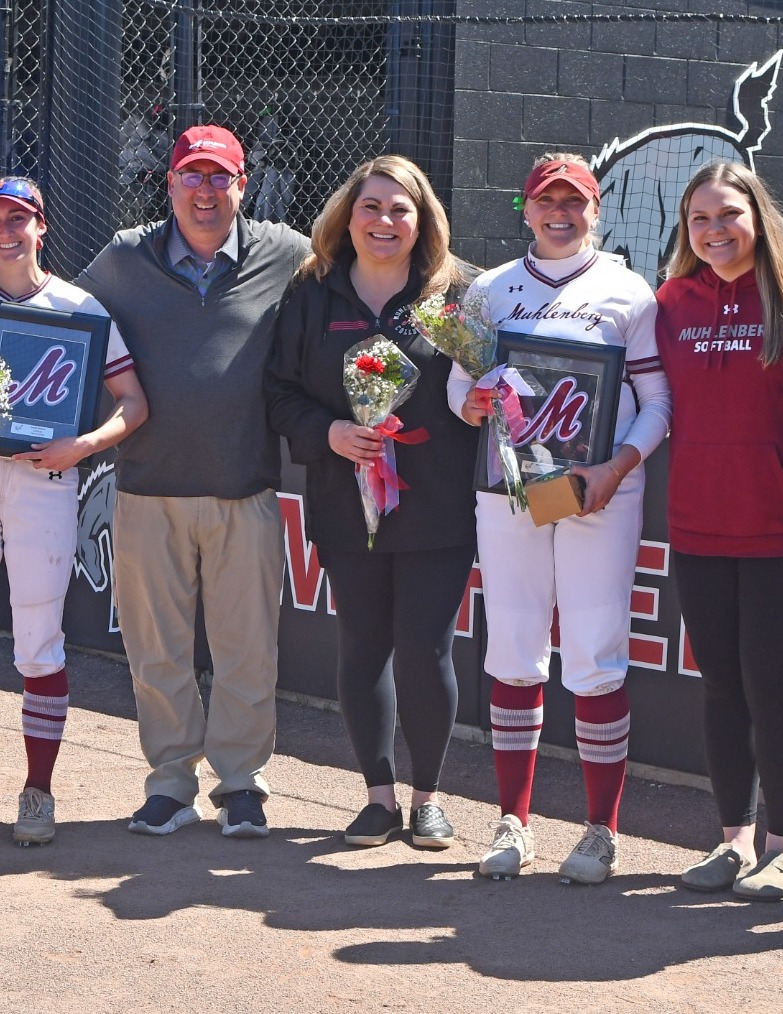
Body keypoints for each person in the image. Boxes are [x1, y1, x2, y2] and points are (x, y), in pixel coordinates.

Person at [76, 124, 310, 838]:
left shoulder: (288, 254)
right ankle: (171, 782)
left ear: (243, 186)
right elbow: (60, 314)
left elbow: (372, 271)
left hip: (246, 488)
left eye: (220, 178)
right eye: (192, 176)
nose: (205, 192)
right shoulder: (123, 257)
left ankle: (240, 783)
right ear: (169, 182)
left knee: (247, 650)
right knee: (157, 653)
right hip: (147, 487)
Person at [449, 153, 671, 884]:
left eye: (572, 201)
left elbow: (657, 403)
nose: (559, 213)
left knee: (595, 655)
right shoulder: (487, 290)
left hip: (592, 491)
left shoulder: (628, 290)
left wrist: (618, 467)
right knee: (512, 647)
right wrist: (471, 403)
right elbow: (458, 388)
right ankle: (514, 820)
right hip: (509, 485)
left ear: (595, 211)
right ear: (525, 208)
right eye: (546, 200)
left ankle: (599, 831)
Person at [0, 177, 149, 845]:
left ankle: (38, 791)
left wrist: (80, 446)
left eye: (18, 218)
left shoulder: (80, 304)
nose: (5, 230)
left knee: (38, 641)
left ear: (41, 226)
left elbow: (132, 402)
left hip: (45, 482)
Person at [266, 156, 476, 848]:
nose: (384, 221)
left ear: (423, 223)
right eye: (370, 207)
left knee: (425, 650)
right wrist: (326, 432)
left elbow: (487, 387)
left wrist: (482, 402)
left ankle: (428, 799)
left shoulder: (451, 297)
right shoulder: (312, 294)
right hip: (342, 500)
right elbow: (278, 393)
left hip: (435, 504)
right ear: (346, 217)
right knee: (361, 646)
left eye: (399, 210)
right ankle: (378, 797)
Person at [654, 161, 783, 900]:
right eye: (699, 220)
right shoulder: (668, 301)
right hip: (697, 524)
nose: (714, 231)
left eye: (728, 215)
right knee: (719, 688)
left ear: (757, 215)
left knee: (772, 689)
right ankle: (731, 841)